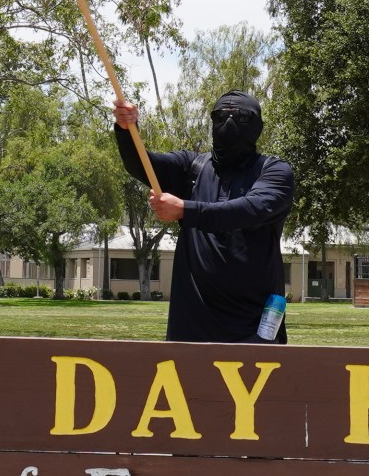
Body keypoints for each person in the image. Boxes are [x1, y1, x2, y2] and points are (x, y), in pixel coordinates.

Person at [112, 92, 294, 343]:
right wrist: (126, 130)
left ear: (256, 126)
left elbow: (250, 210)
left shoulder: (275, 171)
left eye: (240, 117)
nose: (229, 122)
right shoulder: (192, 167)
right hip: (191, 325)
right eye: (221, 115)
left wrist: (186, 210)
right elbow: (143, 164)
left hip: (254, 327)